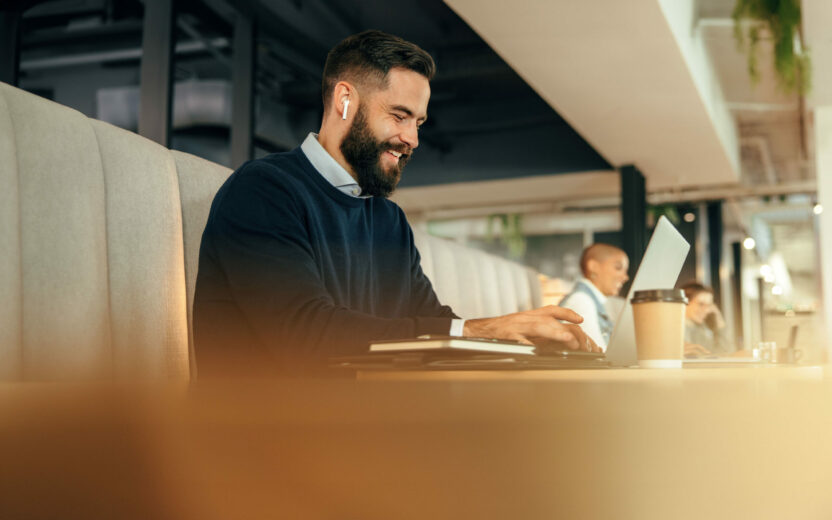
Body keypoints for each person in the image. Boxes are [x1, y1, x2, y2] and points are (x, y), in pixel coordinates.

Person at [193, 30, 599, 377]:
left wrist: (519, 341)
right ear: (345, 100)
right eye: (400, 115)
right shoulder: (264, 190)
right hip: (258, 444)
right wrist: (479, 331)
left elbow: (433, 323)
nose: (413, 139)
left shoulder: (387, 219)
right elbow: (306, 335)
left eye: (418, 123)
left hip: (361, 429)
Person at [558, 244, 629, 350]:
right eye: (618, 268)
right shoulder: (581, 300)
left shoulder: (590, 301)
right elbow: (598, 356)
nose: (625, 277)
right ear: (593, 267)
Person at [681, 282, 732, 357]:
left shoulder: (701, 328)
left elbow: (721, 354)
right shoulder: (681, 329)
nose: (707, 310)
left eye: (709, 305)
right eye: (701, 304)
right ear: (684, 303)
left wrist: (720, 323)